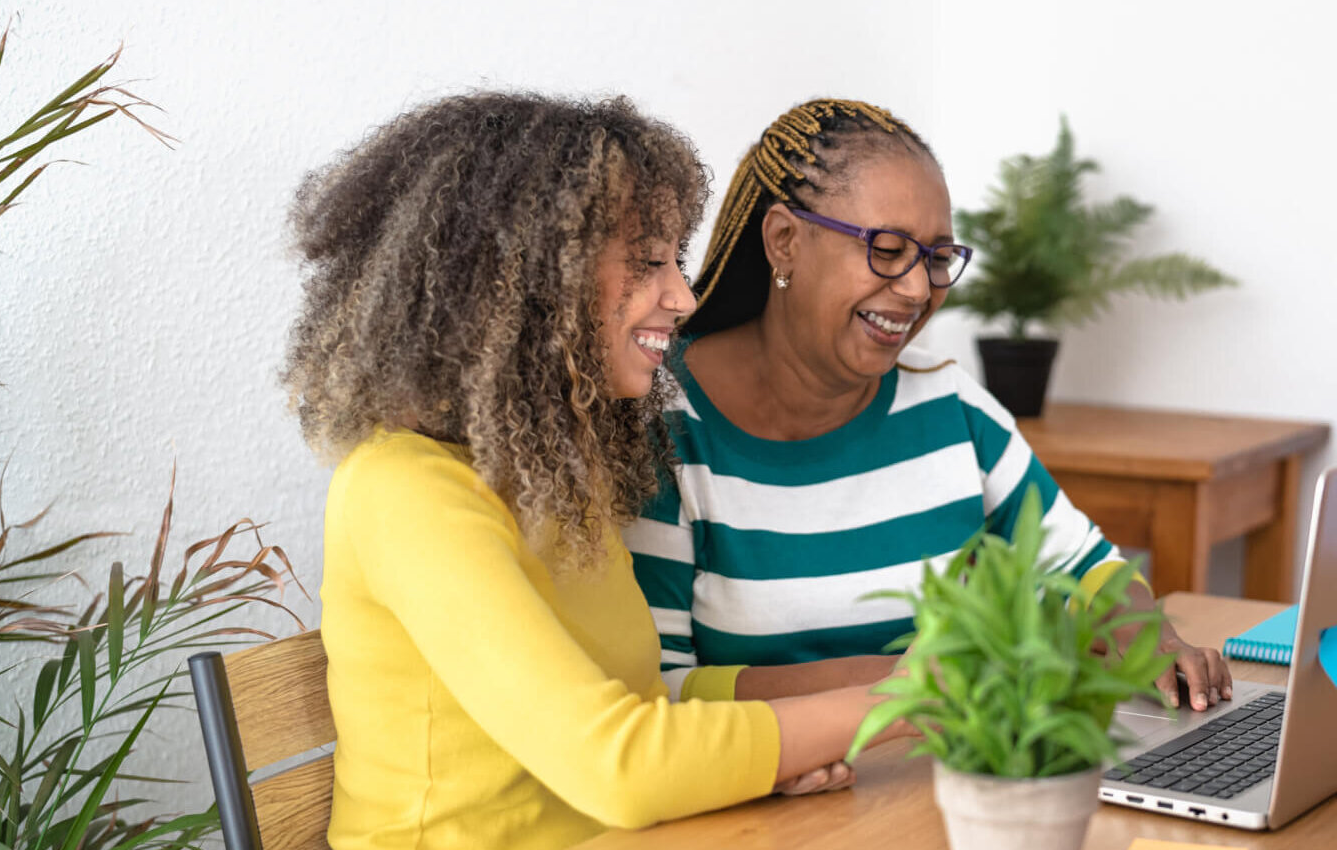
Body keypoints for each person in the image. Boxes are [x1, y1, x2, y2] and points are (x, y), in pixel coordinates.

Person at [283, 93, 901, 850]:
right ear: (527, 280)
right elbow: (620, 764)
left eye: (675, 259)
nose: (683, 296)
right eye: (648, 262)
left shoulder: (554, 475)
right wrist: (905, 704)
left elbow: (642, 705)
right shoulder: (404, 493)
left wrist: (861, 687)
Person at [628, 98, 1231, 713]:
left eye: (937, 259)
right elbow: (665, 686)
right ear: (784, 240)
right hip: (770, 801)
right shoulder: (666, 430)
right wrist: (901, 682)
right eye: (886, 250)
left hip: (937, 783)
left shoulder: (947, 403)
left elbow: (1085, 565)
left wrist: (1148, 632)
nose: (918, 288)